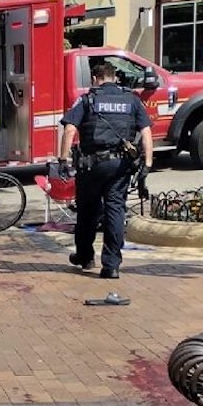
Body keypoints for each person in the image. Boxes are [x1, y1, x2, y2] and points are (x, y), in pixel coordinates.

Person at [59, 61, 153, 279]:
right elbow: (146, 132)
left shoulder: (87, 100)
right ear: (115, 78)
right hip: (120, 166)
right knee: (115, 211)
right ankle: (111, 266)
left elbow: (70, 129)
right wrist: (147, 165)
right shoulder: (132, 100)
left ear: (95, 78)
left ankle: (85, 256)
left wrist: (63, 159)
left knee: (87, 212)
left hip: (91, 166)